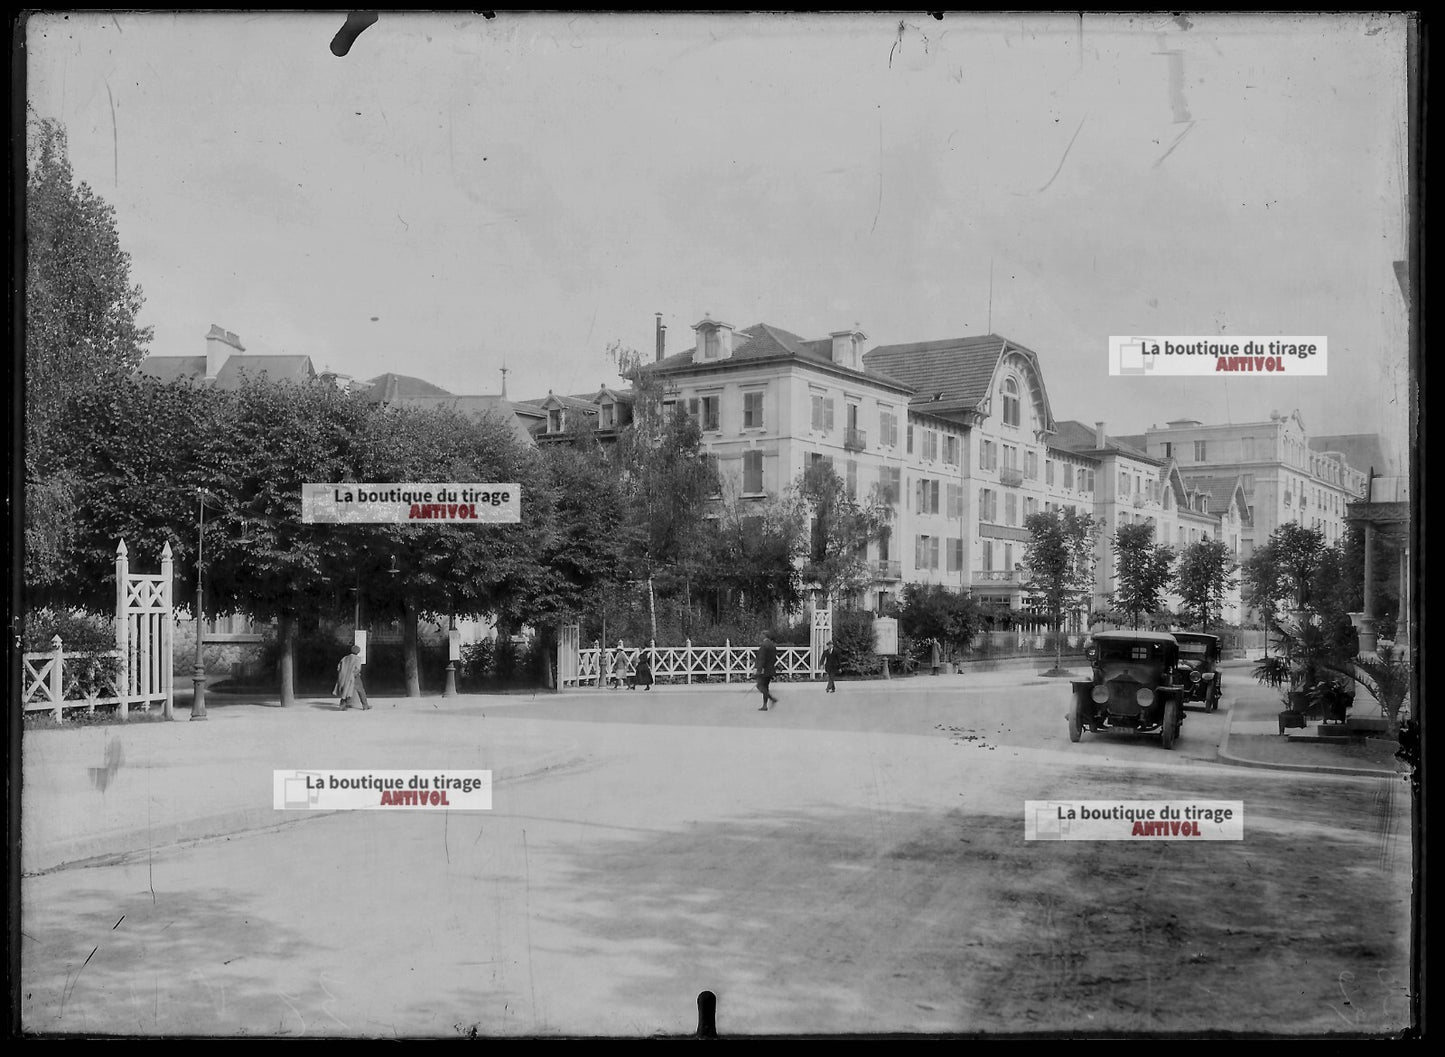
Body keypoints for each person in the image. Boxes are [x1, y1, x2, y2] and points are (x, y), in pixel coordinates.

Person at [334, 644, 369, 710]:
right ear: (358, 652)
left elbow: (338, 667)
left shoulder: (345, 658)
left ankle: (342, 705)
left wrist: (342, 674)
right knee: (361, 690)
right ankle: (365, 705)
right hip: (353, 677)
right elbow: (358, 669)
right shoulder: (357, 659)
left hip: (344, 677)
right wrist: (354, 675)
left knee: (345, 690)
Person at [755, 632, 779, 711]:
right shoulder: (772, 645)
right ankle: (765, 705)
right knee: (765, 687)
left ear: (765, 636)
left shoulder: (764, 646)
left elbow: (762, 659)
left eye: (761, 635)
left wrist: (759, 670)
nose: (760, 636)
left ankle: (772, 699)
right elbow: (774, 658)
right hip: (770, 669)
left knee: (760, 686)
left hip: (764, 670)